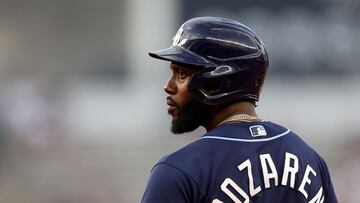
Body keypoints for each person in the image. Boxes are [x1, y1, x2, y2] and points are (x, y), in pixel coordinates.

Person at [141, 17, 338, 203]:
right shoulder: (310, 159)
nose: (169, 86)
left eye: (181, 74)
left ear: (215, 83)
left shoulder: (179, 171)